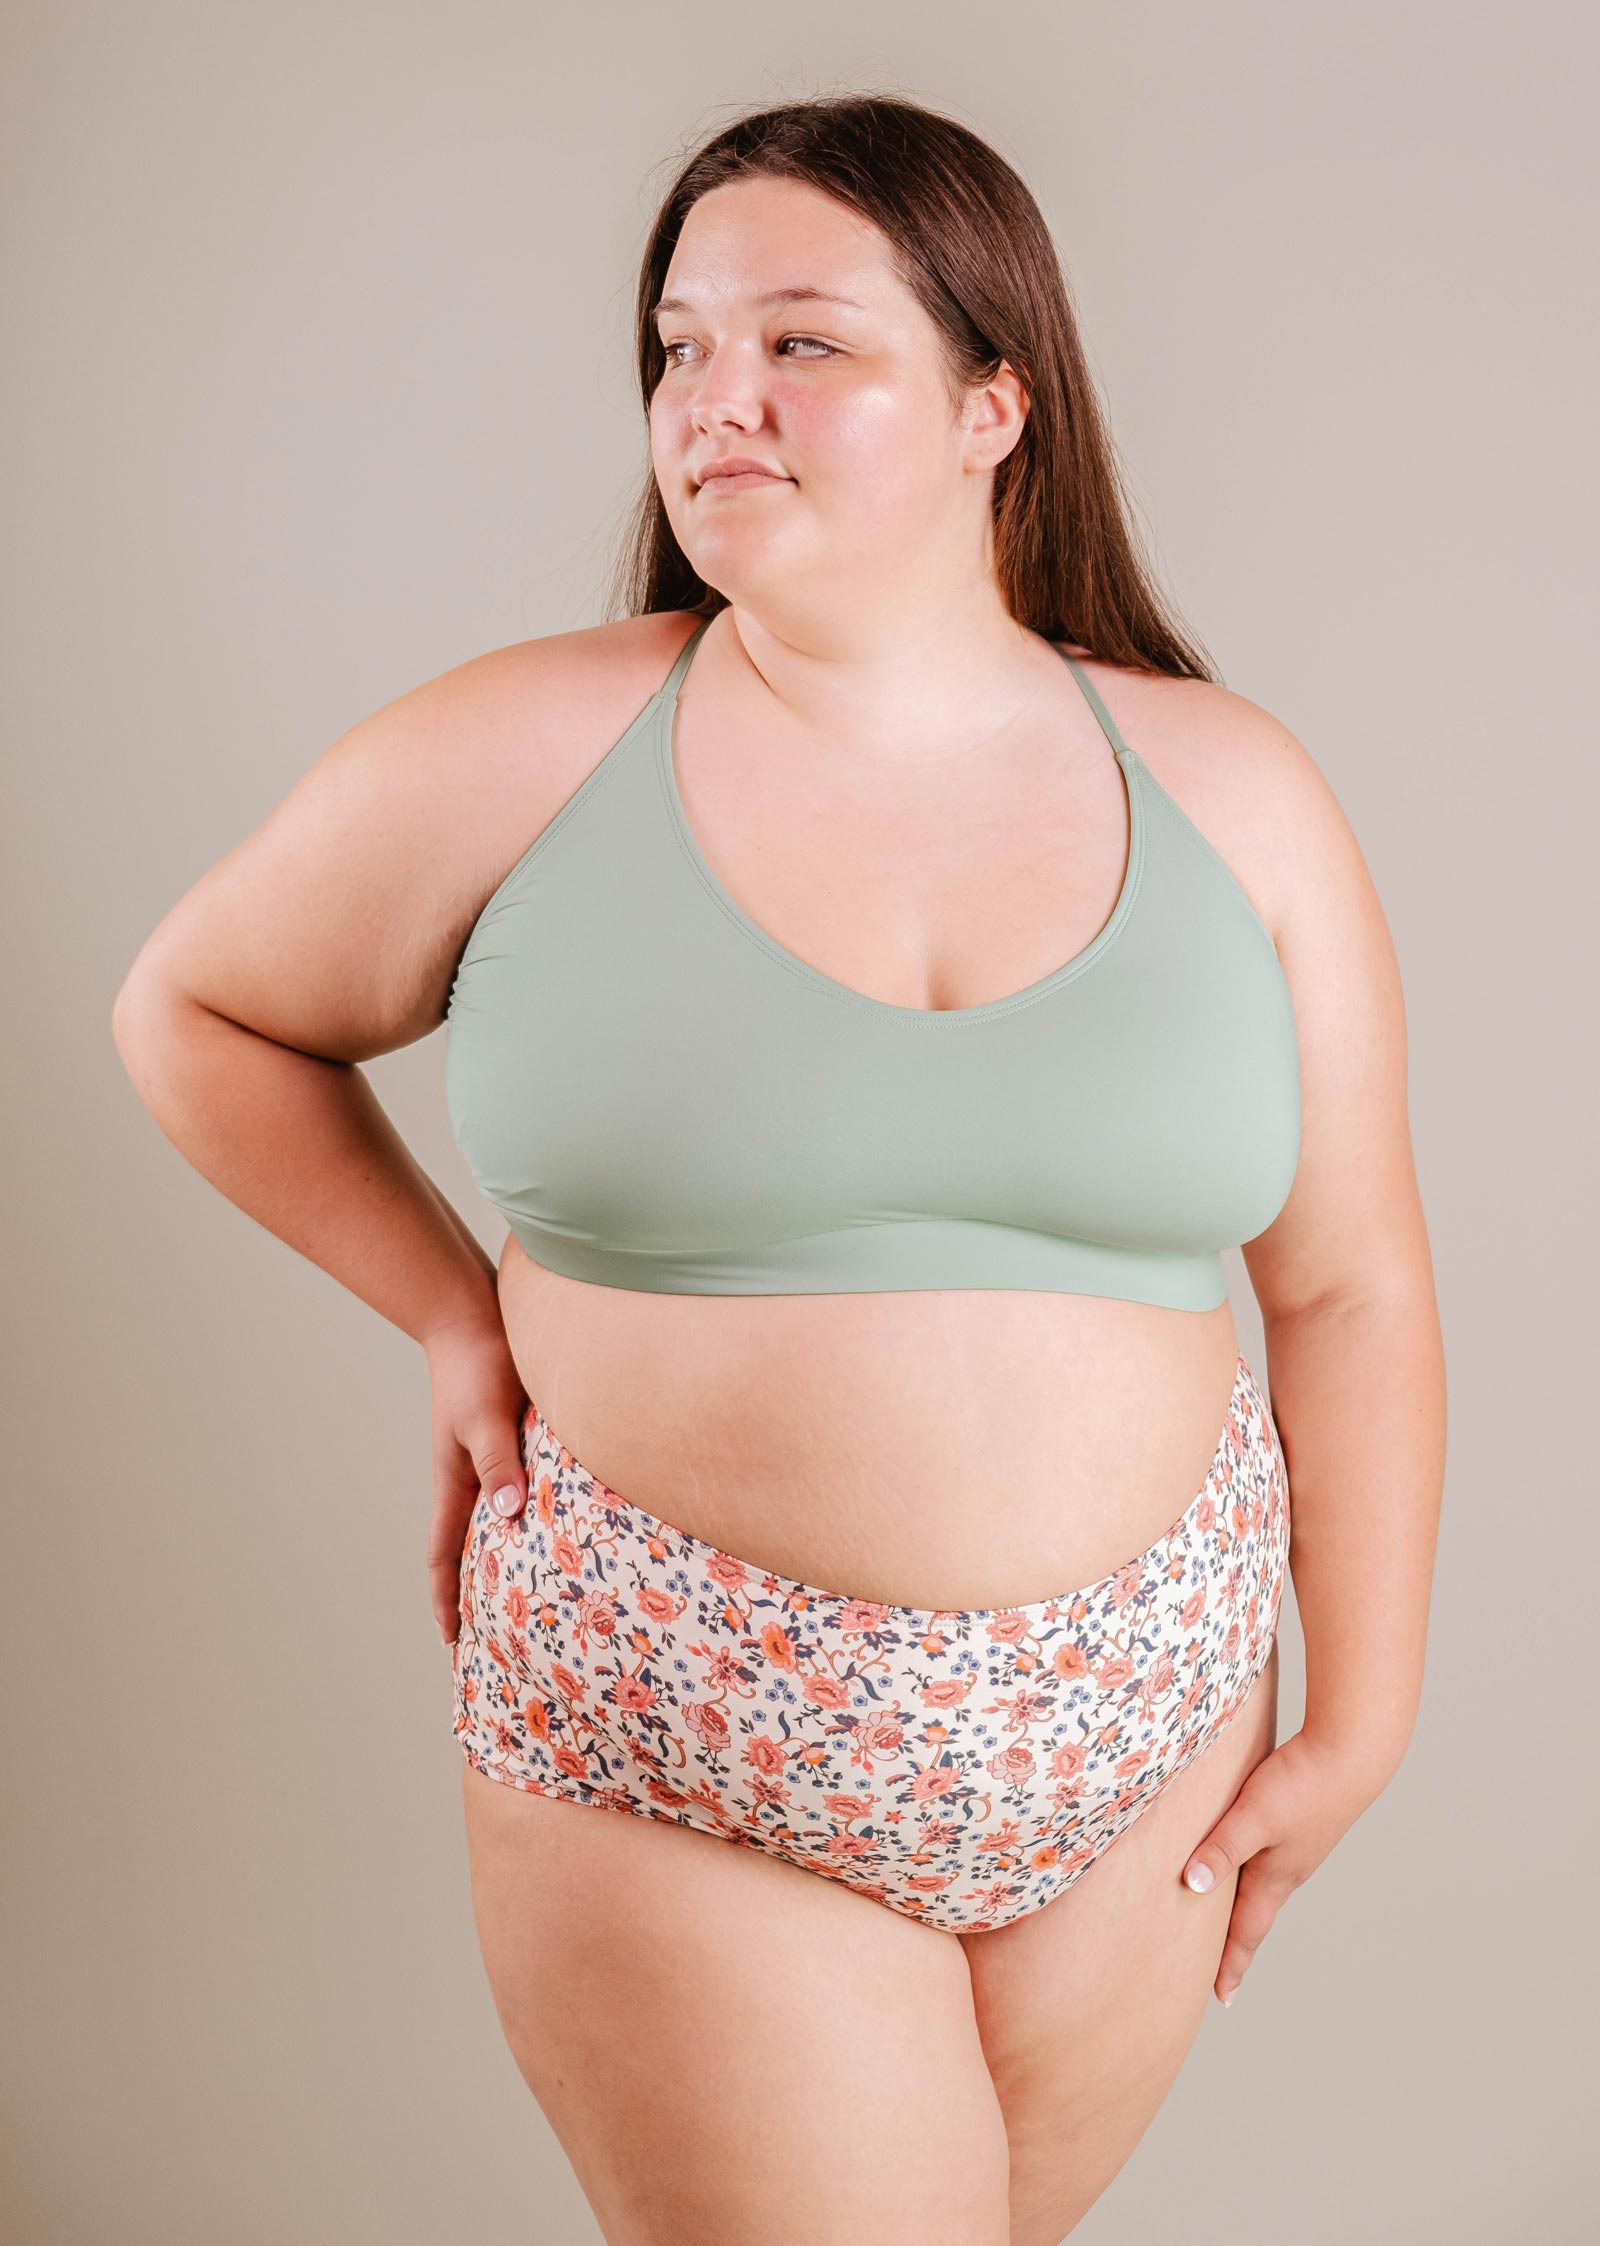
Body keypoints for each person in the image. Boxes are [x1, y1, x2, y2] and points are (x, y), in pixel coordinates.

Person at [112, 91, 1445, 2246]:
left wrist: (1362, 1702)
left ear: (991, 401)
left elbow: (1349, 1288)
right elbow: (193, 1011)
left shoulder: (1232, 789)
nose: (712, 400)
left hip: (1144, 1725)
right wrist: (454, 1312)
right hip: (684, 1732)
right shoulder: (530, 744)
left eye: (799, 343)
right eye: (676, 348)